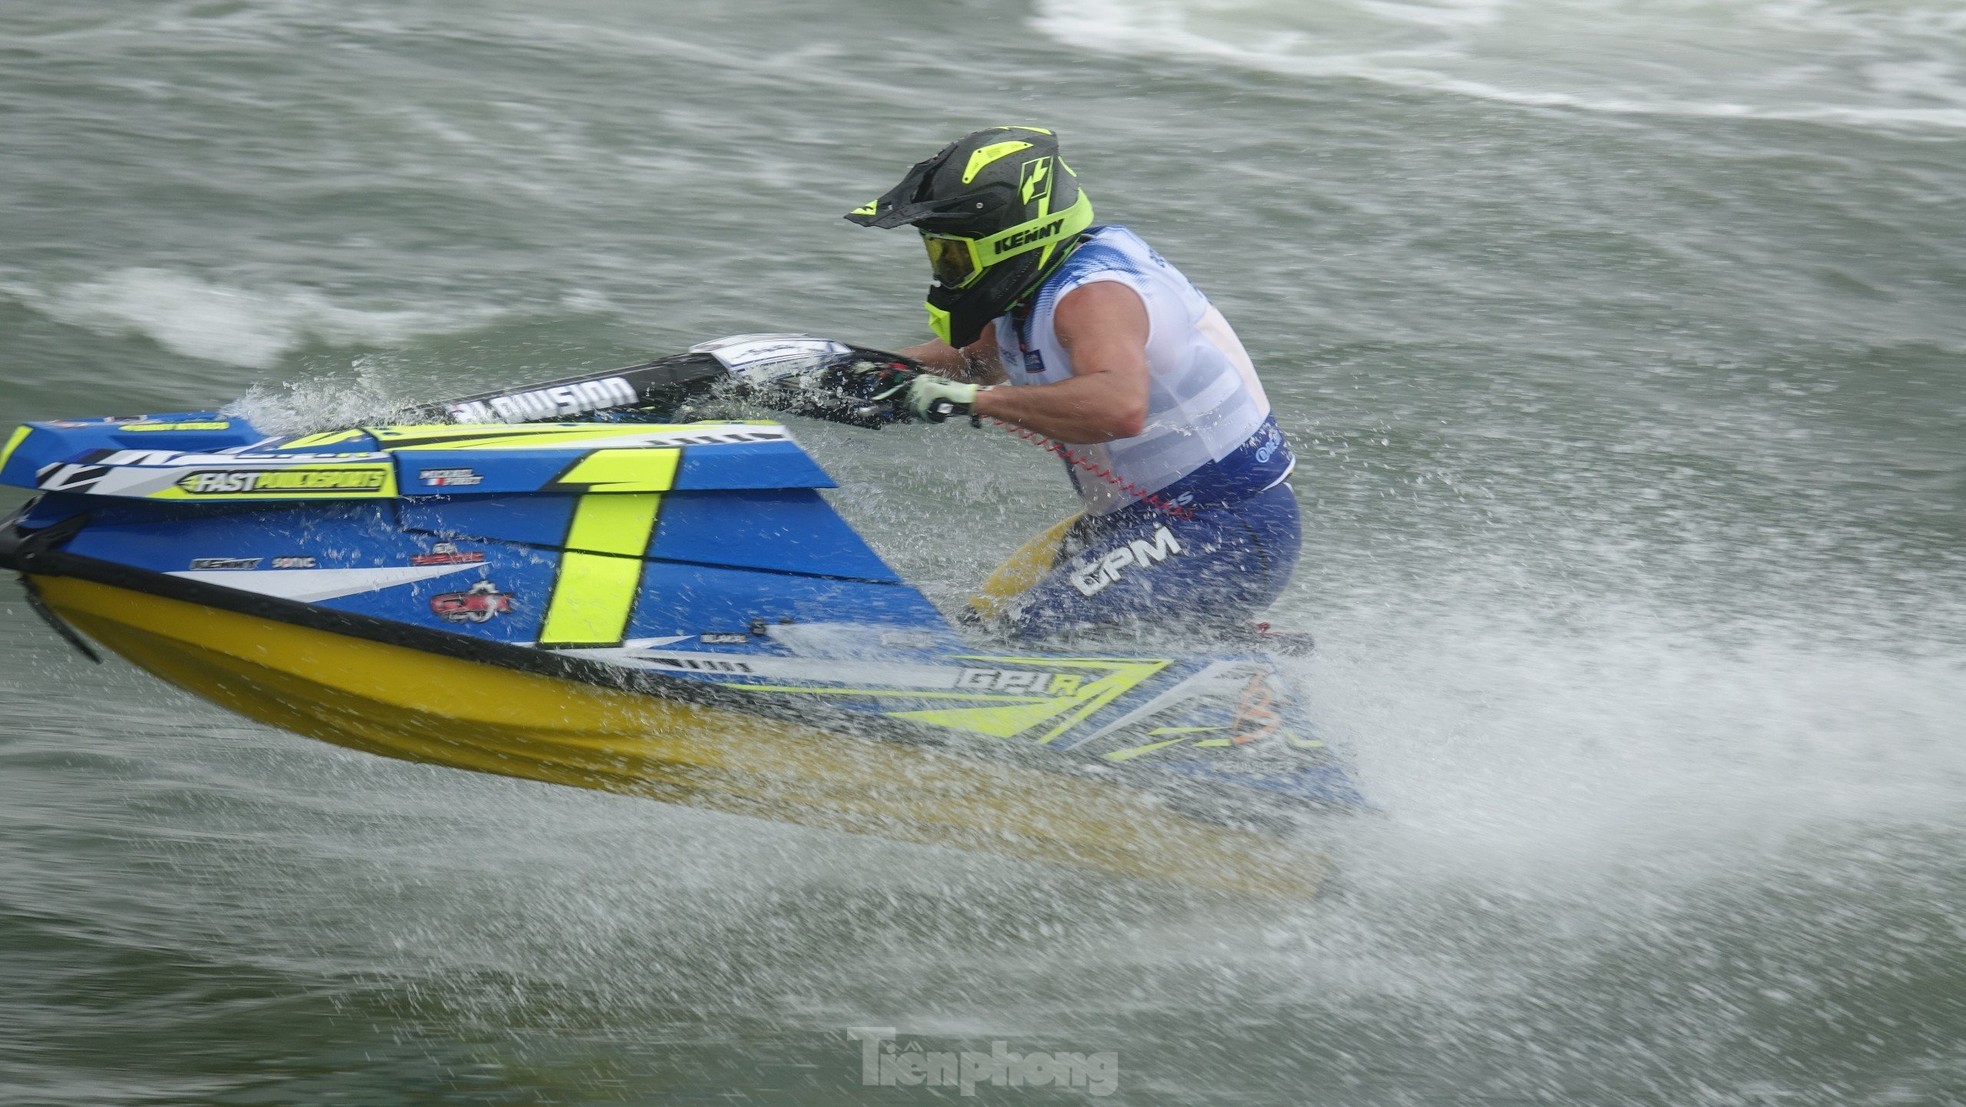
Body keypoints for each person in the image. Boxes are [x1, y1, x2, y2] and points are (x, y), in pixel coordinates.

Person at [845, 126, 1300, 641]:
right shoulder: (1037, 285)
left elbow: (1118, 406)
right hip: (1138, 523)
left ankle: (1236, 680)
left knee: (1032, 635)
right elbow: (974, 365)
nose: (943, 271)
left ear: (1009, 238)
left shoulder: (1095, 294)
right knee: (979, 631)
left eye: (952, 256)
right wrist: (852, 368)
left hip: (1222, 528)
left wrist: (971, 402)